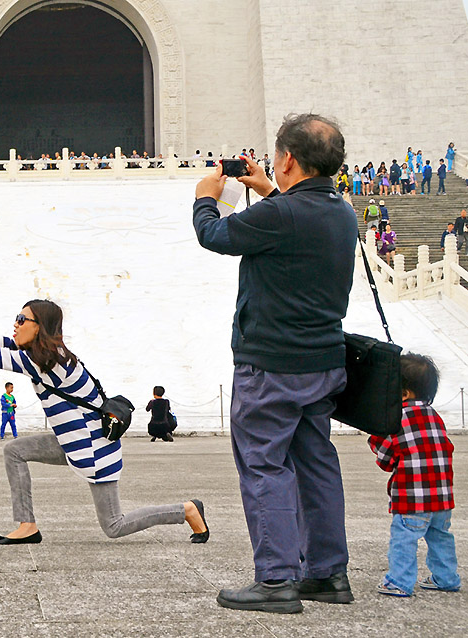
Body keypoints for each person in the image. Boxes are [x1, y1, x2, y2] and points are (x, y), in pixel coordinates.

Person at [193, 113, 356, 613]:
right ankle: (327, 575)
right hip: (323, 361)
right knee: (316, 464)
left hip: (272, 366)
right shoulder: (343, 211)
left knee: (264, 464)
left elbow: (214, 235)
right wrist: (269, 191)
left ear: (287, 158)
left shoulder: (280, 214)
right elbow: (292, 219)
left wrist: (205, 195)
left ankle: (276, 580)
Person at [0, 297, 210, 545]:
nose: (15, 324)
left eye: (21, 319)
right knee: (14, 451)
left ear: (39, 327)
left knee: (113, 525)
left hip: (93, 447)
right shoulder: (41, 351)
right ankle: (27, 525)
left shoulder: (49, 361)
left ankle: (186, 510)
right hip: (72, 439)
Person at [368, 354, 460, 597]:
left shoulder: (396, 419)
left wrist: (374, 439)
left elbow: (385, 459)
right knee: (440, 537)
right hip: (442, 498)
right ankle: (446, 578)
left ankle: (399, 582)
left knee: (404, 540)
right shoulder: (435, 417)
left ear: (404, 393)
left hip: (412, 500)